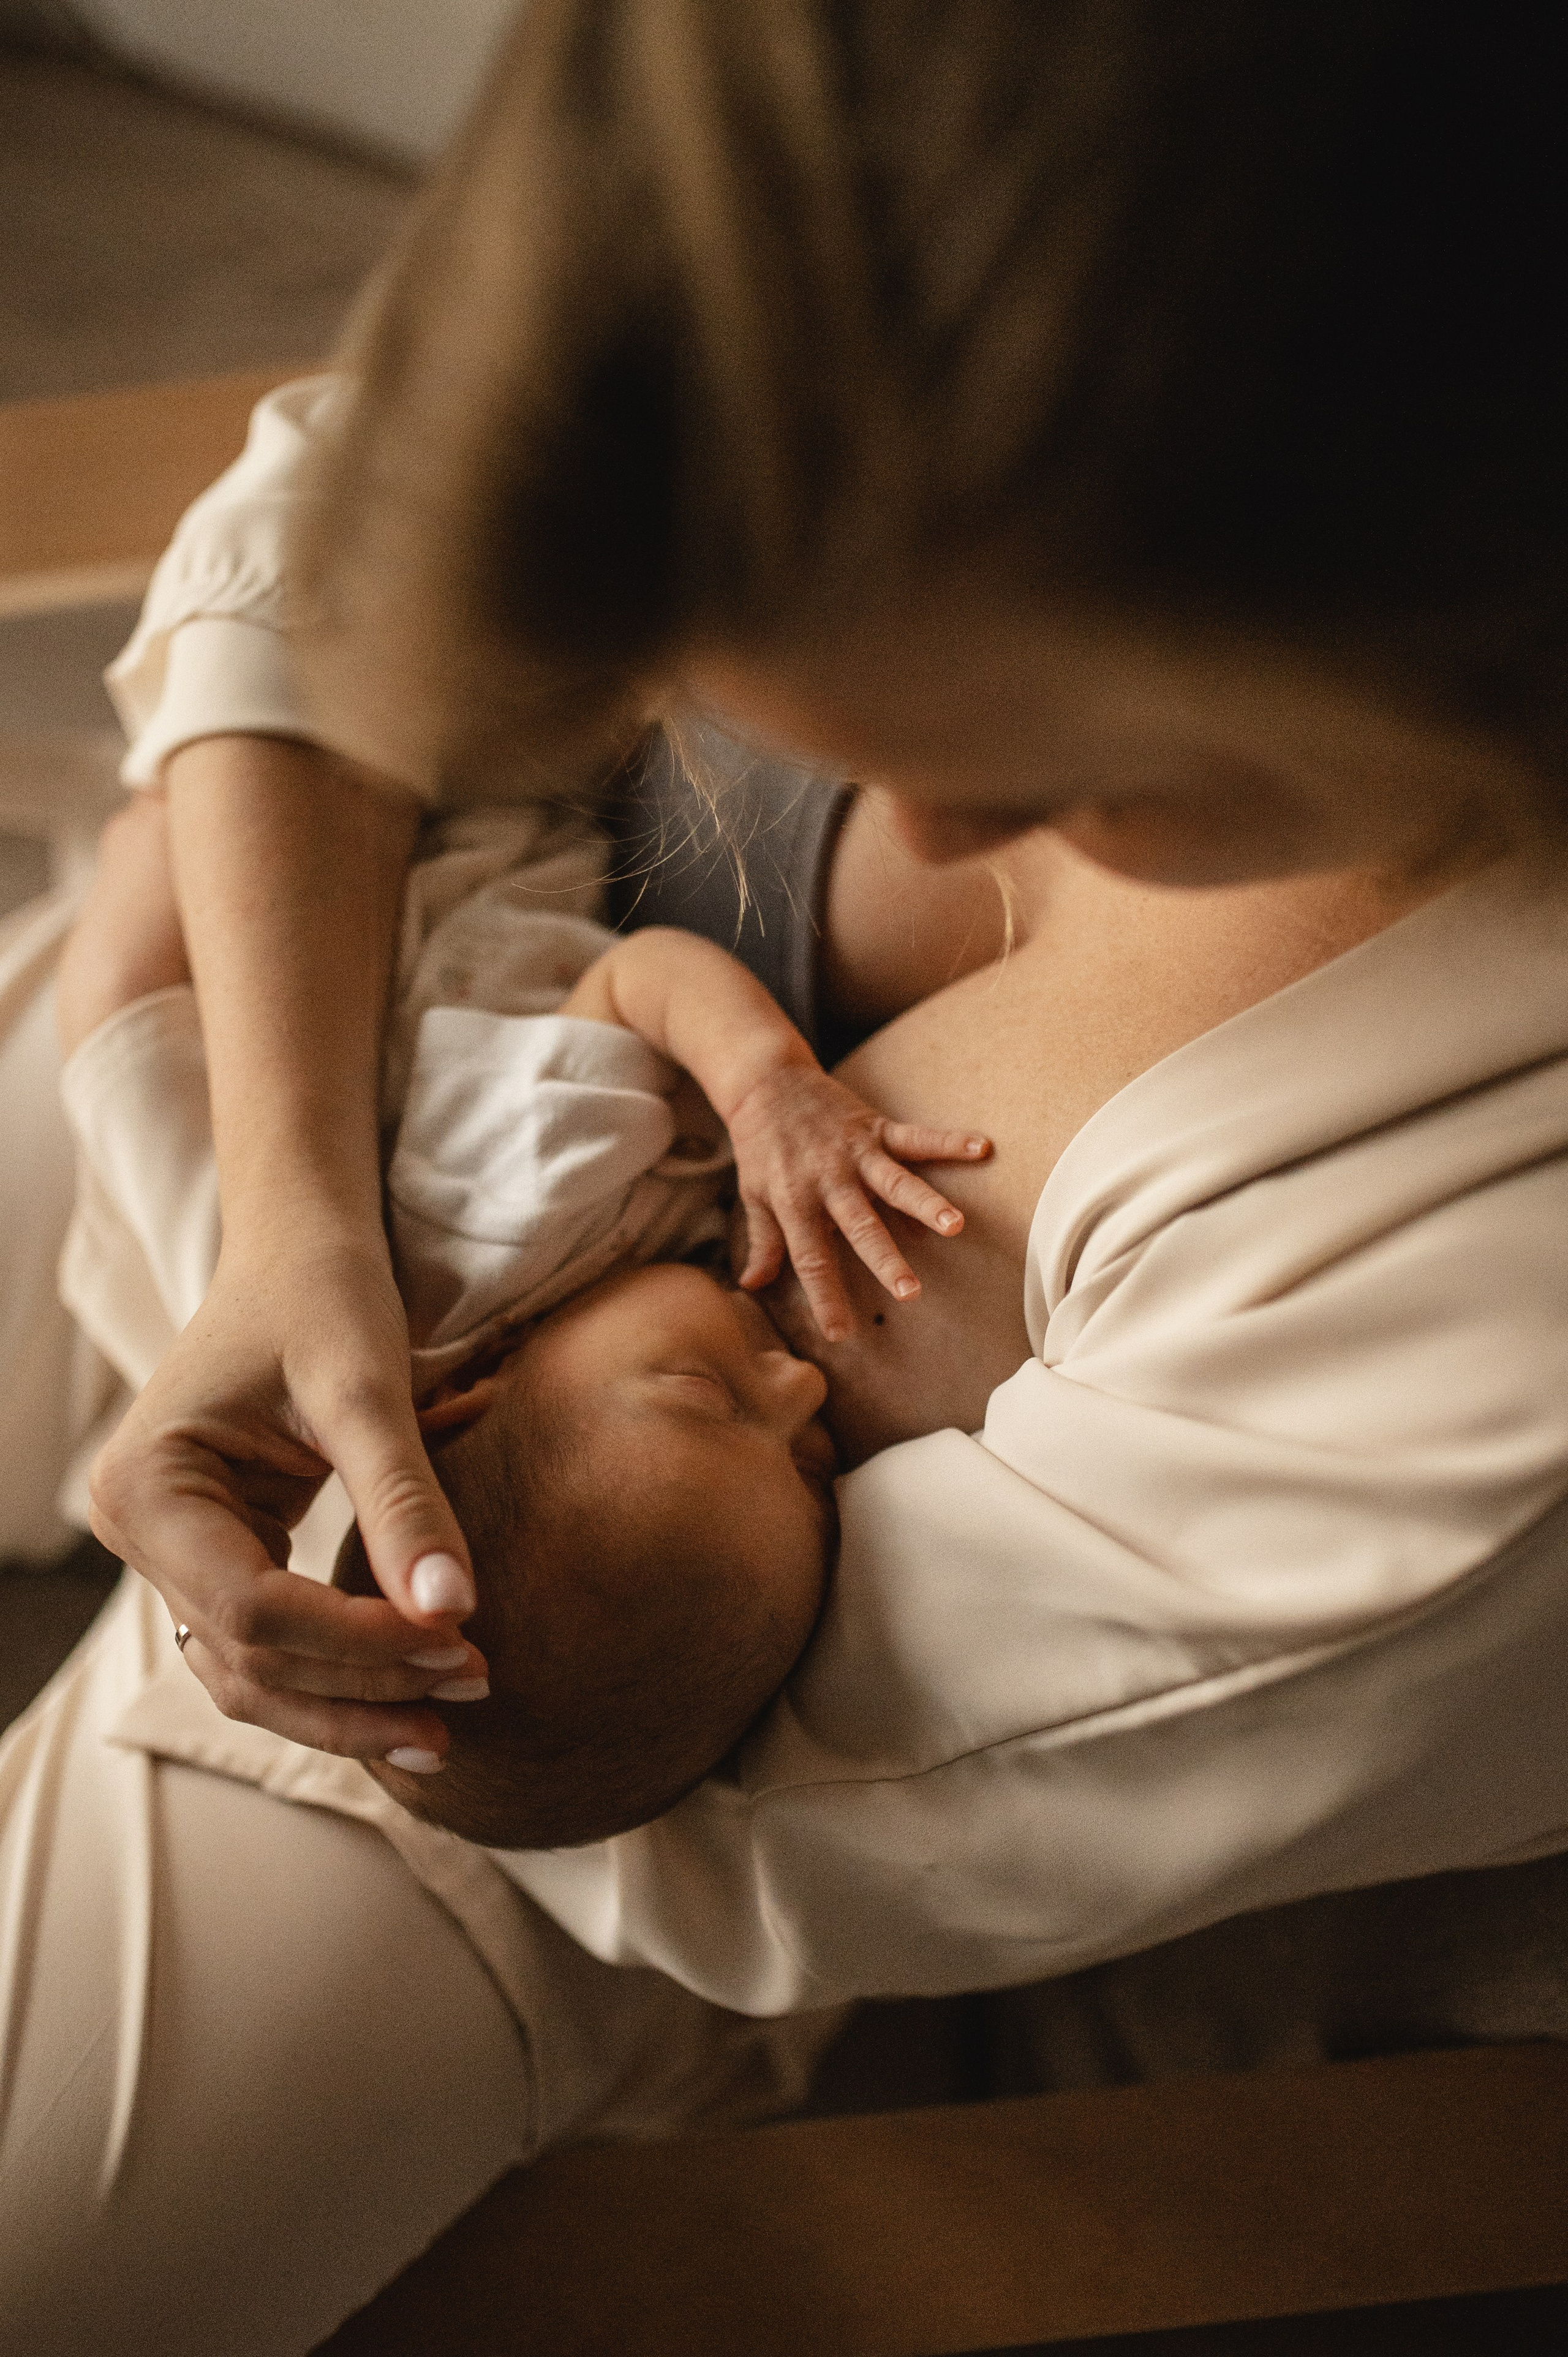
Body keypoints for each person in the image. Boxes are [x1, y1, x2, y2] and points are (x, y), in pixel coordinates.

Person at [4, 6, 1568, 2347]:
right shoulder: (859, 158)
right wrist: (292, 1210)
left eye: (1087, 761)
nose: (914, 841)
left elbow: (774, 1788)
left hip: (566, 1770)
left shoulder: (1492, 1253)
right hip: (342, 1065)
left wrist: (206, 1076)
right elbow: (333, 538)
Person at [52, 784, 985, 1845]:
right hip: (228, 1089)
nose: (802, 1383)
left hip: (366, 876)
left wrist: (767, 1084)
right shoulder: (586, 1415)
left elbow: (641, 979)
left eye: (705, 1394)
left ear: (465, 1397)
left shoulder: (518, 1214)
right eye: (814, 1461)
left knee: (131, 975)